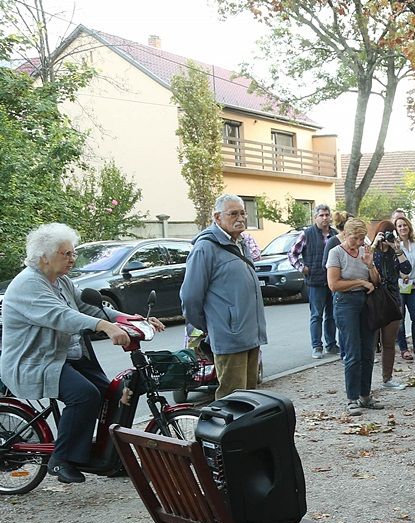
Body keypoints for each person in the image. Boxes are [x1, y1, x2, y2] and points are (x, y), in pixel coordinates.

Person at [0, 223, 164, 483]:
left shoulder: (61, 280)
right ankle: (61, 459)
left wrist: (125, 318)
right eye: (66, 254)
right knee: (84, 395)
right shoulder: (28, 285)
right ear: (44, 256)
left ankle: (105, 456)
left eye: (73, 253)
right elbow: (61, 316)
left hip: (63, 355)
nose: (72, 259)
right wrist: (106, 327)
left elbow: (88, 306)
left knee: (113, 392)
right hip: (35, 361)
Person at [181, 194, 268, 400]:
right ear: (217, 217)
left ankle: (248, 433)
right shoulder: (205, 248)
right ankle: (230, 433)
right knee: (233, 399)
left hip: (250, 334)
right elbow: (190, 297)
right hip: (229, 336)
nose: (240, 218)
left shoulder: (240, 243)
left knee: (250, 399)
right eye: (233, 214)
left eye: (242, 213)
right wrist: (213, 326)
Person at [326, 218, 384, 415]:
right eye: (355, 238)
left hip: (366, 302)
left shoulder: (364, 250)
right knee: (352, 352)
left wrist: (369, 266)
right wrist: (360, 282)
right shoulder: (336, 253)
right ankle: (351, 398)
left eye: (362, 238)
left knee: (368, 351)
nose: (359, 242)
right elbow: (333, 284)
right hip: (345, 303)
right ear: (346, 234)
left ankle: (365, 395)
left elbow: (376, 280)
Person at [288, 204, 339, 359]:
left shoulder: (335, 235)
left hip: (333, 281)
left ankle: (331, 344)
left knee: (332, 315)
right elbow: (292, 254)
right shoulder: (307, 234)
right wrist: (302, 268)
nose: (325, 218)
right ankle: (317, 346)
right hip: (315, 281)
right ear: (315, 217)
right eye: (321, 215)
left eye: (327, 215)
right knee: (316, 315)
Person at [370, 220, 408, 390]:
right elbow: (364, 266)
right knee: (370, 343)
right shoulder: (372, 252)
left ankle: (387, 378)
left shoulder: (395, 252)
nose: (388, 238)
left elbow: (406, 269)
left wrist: (397, 248)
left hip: (392, 299)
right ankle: (366, 382)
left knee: (389, 342)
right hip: (374, 300)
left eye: (391, 234)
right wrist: (373, 245)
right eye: (385, 234)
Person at [390, 214, 415, 361]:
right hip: (400, 286)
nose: (402, 228)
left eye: (404, 225)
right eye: (399, 226)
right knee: (400, 319)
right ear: (396, 229)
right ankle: (404, 348)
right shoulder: (394, 245)